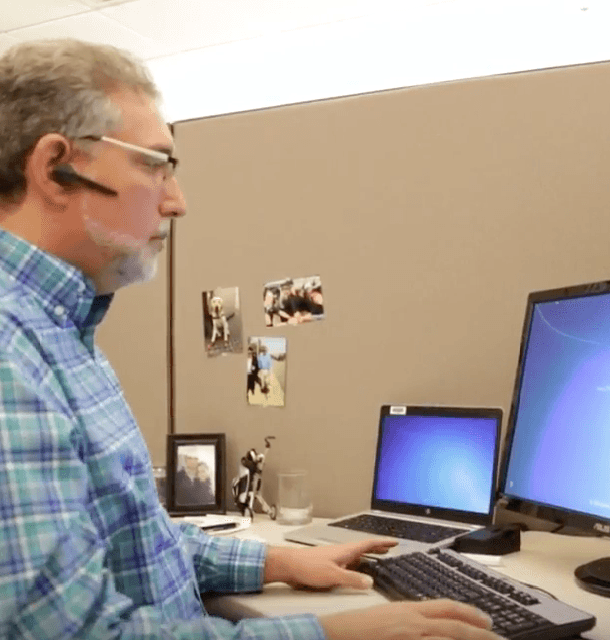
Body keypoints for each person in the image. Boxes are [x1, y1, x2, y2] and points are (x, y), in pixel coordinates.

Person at [0, 38, 504, 640]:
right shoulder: (11, 356)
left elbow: (135, 541)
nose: (177, 202)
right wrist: (338, 636)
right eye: (154, 164)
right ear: (57, 166)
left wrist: (281, 560)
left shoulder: (62, 332)